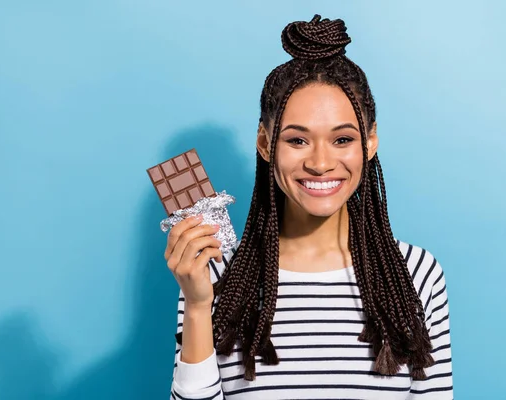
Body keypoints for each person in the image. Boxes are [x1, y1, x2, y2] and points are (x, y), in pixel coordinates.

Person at [164, 14, 453, 400]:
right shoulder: (213, 273)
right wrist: (199, 306)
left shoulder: (416, 275)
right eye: (297, 141)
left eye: (342, 140)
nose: (320, 163)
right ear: (266, 145)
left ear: (369, 144)